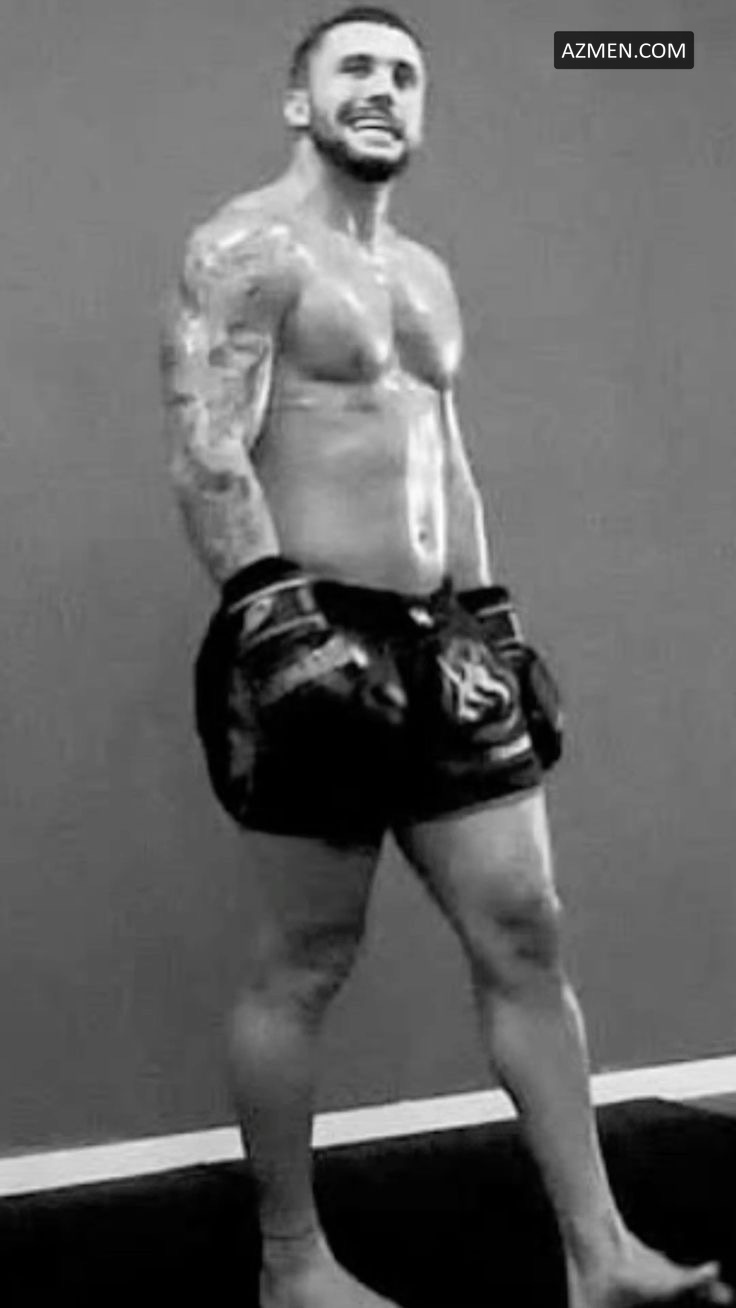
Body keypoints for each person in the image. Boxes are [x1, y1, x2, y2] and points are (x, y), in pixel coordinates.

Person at [159, 8, 732, 1306]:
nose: (384, 88)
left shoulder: (424, 274)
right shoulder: (246, 246)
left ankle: (600, 1253)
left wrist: (496, 622)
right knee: (306, 957)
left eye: (405, 73)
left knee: (528, 933)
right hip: (307, 629)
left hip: (441, 642)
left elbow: (444, 456)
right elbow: (204, 438)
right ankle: (291, 1264)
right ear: (299, 100)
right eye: (355, 67)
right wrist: (271, 619)